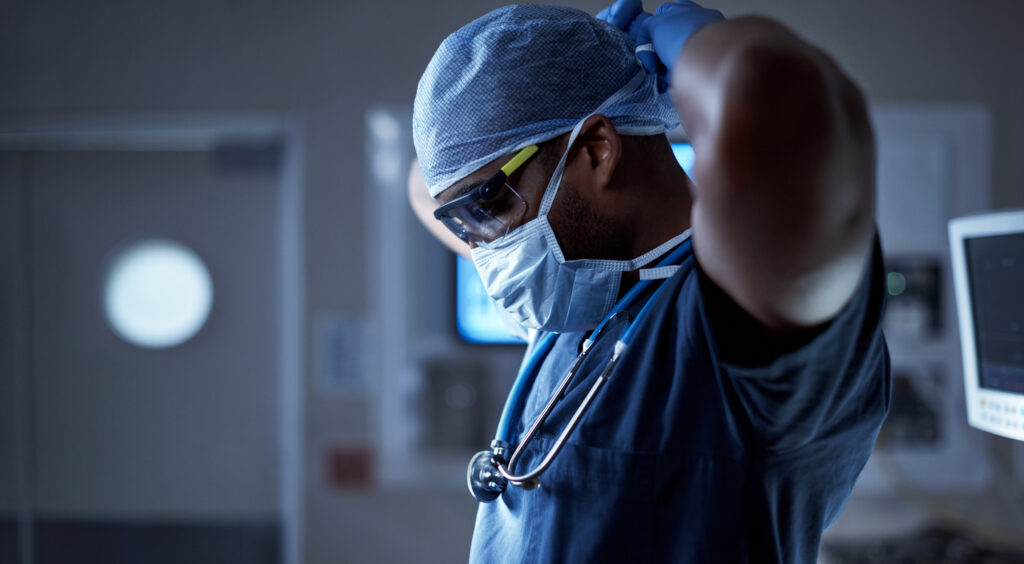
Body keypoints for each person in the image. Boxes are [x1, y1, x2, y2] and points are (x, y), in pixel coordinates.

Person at [408, 1, 890, 561]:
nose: (484, 251)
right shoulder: (582, 297)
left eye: (488, 207)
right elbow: (429, 186)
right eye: (464, 226)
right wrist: (559, 82)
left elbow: (782, 103)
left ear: (596, 151)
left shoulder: (743, 323)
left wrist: (692, 54)